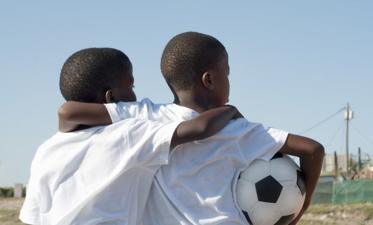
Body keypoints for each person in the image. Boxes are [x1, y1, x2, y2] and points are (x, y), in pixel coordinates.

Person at [59, 32, 325, 225]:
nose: (229, 81)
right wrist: (305, 202)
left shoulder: (144, 115)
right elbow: (313, 150)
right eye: (227, 73)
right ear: (209, 80)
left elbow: (70, 111)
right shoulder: (240, 130)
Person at [19, 47, 241, 225]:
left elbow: (33, 216)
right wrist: (228, 110)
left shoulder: (47, 149)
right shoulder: (128, 135)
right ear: (111, 97)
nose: (135, 95)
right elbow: (198, 129)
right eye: (131, 86)